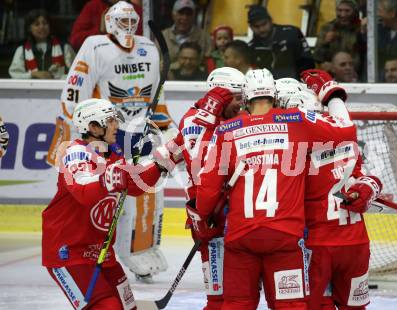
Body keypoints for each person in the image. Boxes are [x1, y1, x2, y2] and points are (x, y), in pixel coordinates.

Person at [192, 68, 359, 309]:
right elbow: (347, 130)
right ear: (274, 95)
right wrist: (332, 94)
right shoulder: (296, 121)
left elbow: (207, 192)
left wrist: (205, 217)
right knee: (289, 304)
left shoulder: (225, 130)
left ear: (246, 97)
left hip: (241, 237)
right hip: (285, 236)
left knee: (237, 303)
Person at [47, 1, 172, 283]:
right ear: (109, 21)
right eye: (122, 21)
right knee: (103, 192)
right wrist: (84, 132)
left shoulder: (149, 48)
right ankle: (89, 247)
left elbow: (158, 96)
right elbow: (72, 95)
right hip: (107, 130)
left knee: (152, 187)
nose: (128, 27)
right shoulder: (95, 46)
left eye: (132, 21)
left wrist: (163, 126)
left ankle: (142, 248)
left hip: (139, 129)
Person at [42, 98, 167, 309]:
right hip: (69, 253)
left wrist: (164, 160)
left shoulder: (114, 152)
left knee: (128, 307)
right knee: (108, 307)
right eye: (109, 121)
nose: (116, 125)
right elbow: (84, 193)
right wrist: (113, 176)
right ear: (92, 127)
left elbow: (134, 186)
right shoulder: (75, 153)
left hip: (102, 253)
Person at [154, 66, 246, 310]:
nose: (242, 103)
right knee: (219, 296)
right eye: (237, 97)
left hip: (234, 215)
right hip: (209, 216)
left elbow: (170, 152)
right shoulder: (196, 121)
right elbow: (187, 158)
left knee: (240, 293)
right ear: (220, 95)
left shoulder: (231, 119)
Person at [300, 69, 383, 309]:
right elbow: (368, 178)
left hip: (316, 246)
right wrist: (366, 190)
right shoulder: (346, 140)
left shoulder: (293, 152)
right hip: (355, 244)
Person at [247, 5, 314, 79]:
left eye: (264, 24)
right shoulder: (251, 47)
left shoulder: (292, 33)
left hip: (296, 85)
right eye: (256, 26)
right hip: (268, 87)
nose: (261, 29)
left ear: (271, 20)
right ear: (250, 27)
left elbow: (308, 61)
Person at [8, 9, 75, 79]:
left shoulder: (65, 48)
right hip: (31, 89)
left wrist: (56, 77)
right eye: (37, 24)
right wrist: (33, 74)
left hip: (59, 89)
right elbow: (15, 74)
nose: (41, 27)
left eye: (45, 23)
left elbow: (76, 74)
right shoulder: (22, 50)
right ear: (29, 28)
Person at [313, 0, 365, 80]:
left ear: (354, 11)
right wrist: (325, 42)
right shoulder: (327, 28)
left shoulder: (361, 28)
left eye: (347, 11)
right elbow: (317, 57)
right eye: (339, 10)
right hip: (332, 77)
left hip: (358, 75)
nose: (343, 14)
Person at [69, 0, 143, 51]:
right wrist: (99, 31)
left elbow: (143, 43)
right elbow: (75, 41)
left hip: (128, 65)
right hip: (99, 64)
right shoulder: (93, 6)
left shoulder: (137, 12)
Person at [162, 0, 212, 66]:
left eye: (189, 14)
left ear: (194, 16)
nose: (185, 17)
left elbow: (209, 64)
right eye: (181, 13)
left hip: (197, 76)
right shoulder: (162, 36)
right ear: (173, 14)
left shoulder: (204, 37)